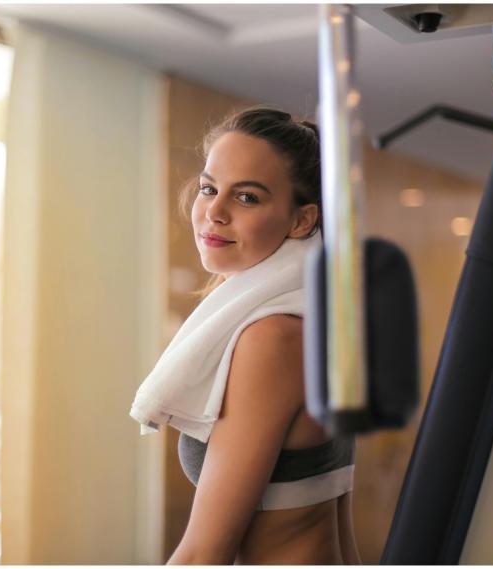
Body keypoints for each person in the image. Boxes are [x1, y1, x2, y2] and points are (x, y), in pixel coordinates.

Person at [156, 107, 361, 564]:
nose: (214, 212)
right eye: (209, 188)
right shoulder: (313, 318)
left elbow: (206, 552)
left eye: (246, 197)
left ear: (301, 220)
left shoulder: (274, 338)